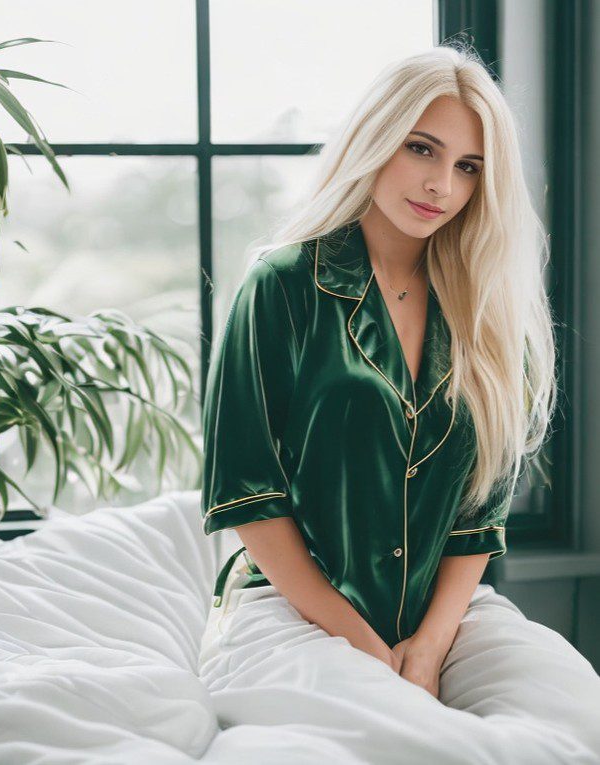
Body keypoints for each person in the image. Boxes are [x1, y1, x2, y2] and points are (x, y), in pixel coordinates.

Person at [197, 44, 600, 760]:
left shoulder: (487, 314)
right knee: (413, 743)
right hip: (291, 611)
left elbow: (478, 519)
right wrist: (365, 646)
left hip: (446, 612)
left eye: (469, 167)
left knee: (574, 712)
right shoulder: (281, 287)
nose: (441, 184)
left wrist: (429, 648)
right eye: (423, 148)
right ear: (376, 138)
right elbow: (249, 498)